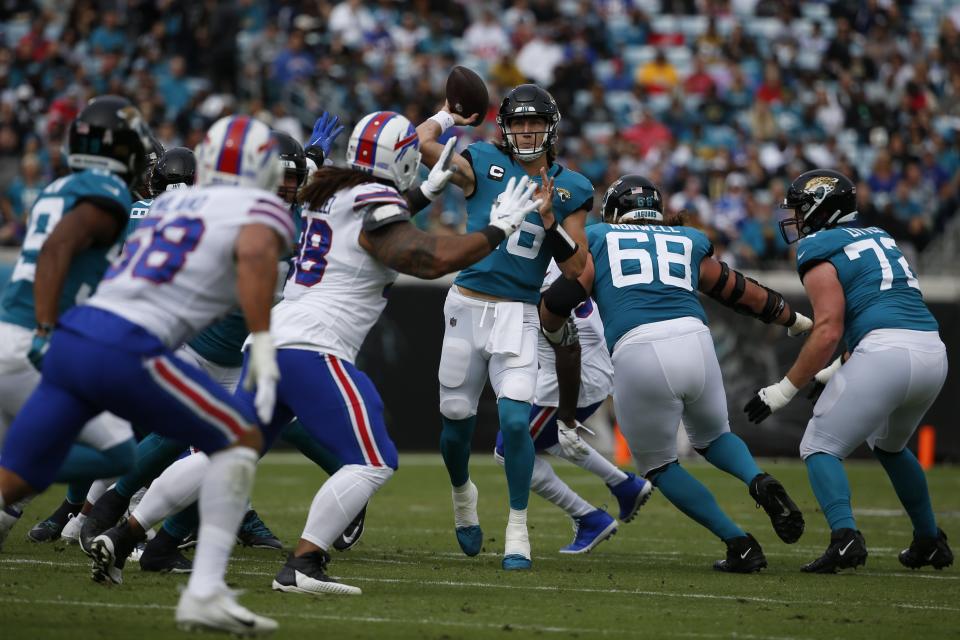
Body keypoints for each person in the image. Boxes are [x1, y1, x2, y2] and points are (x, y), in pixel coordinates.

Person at [0, 113, 292, 634]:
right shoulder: (259, 207)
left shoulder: (171, 200)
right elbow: (251, 252)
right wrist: (264, 339)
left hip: (77, 335)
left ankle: (99, 517)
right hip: (129, 345)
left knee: (22, 470)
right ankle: (204, 591)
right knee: (240, 436)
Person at [239, 110, 542, 595]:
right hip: (312, 340)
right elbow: (429, 259)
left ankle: (121, 526)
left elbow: (375, 217)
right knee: (375, 458)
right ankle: (304, 560)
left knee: (224, 447)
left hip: (271, 331)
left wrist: (427, 183)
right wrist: (497, 230)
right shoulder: (362, 195)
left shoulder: (333, 190)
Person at [546, 174, 812, 572]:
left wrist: (549, 322)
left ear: (615, 213)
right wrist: (790, 317)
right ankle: (758, 480)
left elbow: (567, 294)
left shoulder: (599, 237)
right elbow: (738, 289)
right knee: (716, 438)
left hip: (638, 348)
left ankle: (739, 542)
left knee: (658, 466)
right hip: (696, 341)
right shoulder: (685, 240)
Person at [416, 84, 593, 570]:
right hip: (467, 306)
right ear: (504, 128)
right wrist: (447, 116)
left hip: (518, 312)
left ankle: (518, 527)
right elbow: (422, 142)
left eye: (534, 122)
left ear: (551, 127)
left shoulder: (571, 185)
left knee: (516, 421)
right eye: (517, 122)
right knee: (455, 422)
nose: (526, 130)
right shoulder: (484, 163)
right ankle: (462, 495)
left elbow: (578, 270)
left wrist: (551, 221)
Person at [744, 169, 953, 573]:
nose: (796, 218)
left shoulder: (819, 245)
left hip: (885, 354)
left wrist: (782, 391)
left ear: (823, 208)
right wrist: (832, 371)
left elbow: (828, 330)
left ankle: (845, 539)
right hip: (930, 352)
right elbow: (885, 316)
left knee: (819, 446)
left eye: (801, 208)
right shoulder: (880, 237)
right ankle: (929, 540)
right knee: (889, 446)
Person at [0, 95, 150, 550]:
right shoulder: (107, 192)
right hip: (31, 341)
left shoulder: (58, 187)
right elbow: (57, 249)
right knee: (117, 449)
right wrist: (47, 328)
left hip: (12, 332)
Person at [493, 261, 652, 554]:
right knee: (551, 440)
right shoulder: (560, 256)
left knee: (509, 450)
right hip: (590, 367)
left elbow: (564, 343)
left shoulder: (529, 265)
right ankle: (622, 484)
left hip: (573, 375)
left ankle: (589, 517)